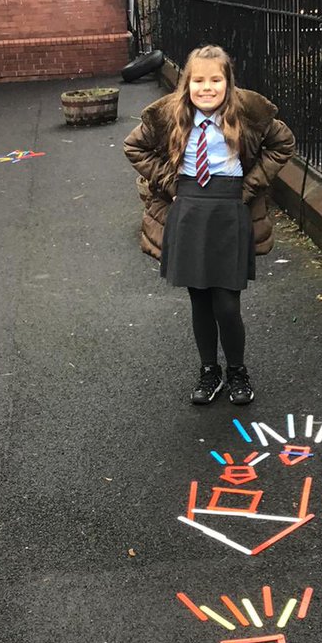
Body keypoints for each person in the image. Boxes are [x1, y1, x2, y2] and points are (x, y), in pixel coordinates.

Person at [124, 44, 295, 405]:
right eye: (198, 80)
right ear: (187, 83)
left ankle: (236, 370)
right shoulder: (171, 115)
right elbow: (135, 147)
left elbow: (283, 143)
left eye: (215, 80)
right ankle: (208, 371)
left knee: (227, 305)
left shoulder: (247, 113)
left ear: (228, 82)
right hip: (188, 212)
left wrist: (248, 188)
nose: (206, 88)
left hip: (230, 211)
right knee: (199, 301)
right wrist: (172, 184)